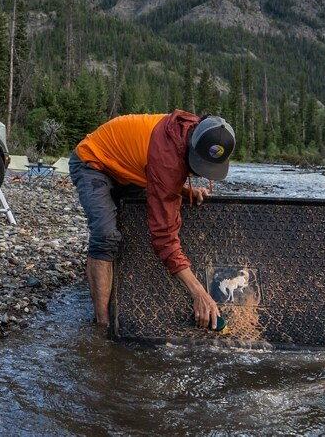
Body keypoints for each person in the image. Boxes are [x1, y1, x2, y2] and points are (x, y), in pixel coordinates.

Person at [69, 111, 236, 329]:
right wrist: (199, 293)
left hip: (129, 169)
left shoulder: (196, 128)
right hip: (93, 162)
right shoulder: (167, 159)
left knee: (136, 226)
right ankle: (102, 325)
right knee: (106, 235)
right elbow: (164, 238)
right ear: (192, 144)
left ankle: (118, 291)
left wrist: (184, 191)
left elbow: (162, 174)